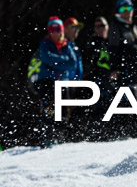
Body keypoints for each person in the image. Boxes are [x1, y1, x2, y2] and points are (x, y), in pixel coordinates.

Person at [108, 0, 137, 136]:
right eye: (123, 9)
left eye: (129, 8)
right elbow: (113, 50)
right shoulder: (115, 27)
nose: (126, 12)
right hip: (125, 72)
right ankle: (128, 135)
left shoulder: (136, 28)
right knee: (130, 104)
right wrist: (115, 68)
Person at [34, 16, 79, 147]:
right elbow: (46, 58)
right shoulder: (45, 43)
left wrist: (55, 63)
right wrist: (62, 61)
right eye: (52, 29)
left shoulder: (66, 44)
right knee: (48, 111)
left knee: (63, 112)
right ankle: (46, 138)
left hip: (63, 83)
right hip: (46, 82)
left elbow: (72, 63)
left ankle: (58, 138)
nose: (55, 32)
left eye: (58, 29)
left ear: (62, 30)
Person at [83, 16, 117, 139]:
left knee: (115, 106)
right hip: (97, 80)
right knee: (99, 108)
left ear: (107, 26)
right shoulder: (93, 42)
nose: (101, 28)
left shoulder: (113, 41)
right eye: (97, 26)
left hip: (112, 81)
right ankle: (97, 135)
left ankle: (113, 134)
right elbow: (92, 61)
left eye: (102, 25)